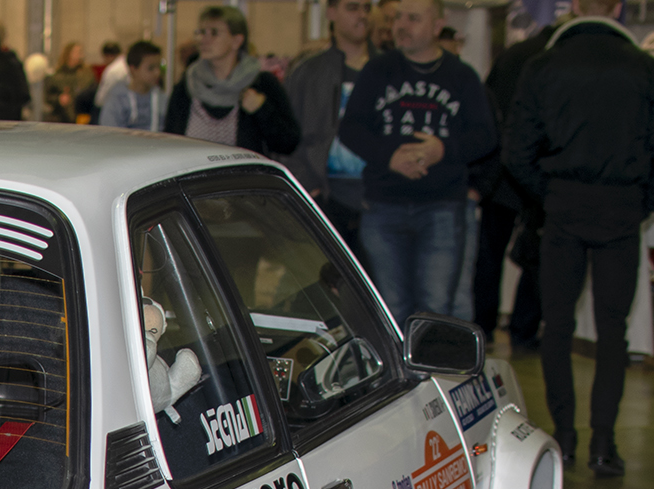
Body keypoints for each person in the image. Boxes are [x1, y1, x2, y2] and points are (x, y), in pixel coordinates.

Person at [505, 0, 654, 476]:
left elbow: (517, 151)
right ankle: (604, 444)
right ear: (616, 8)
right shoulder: (644, 69)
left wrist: (549, 195)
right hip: (622, 208)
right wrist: (638, 201)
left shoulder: (543, 66)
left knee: (558, 326)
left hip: (564, 206)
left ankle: (564, 436)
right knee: (614, 331)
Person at [336, 0, 495, 327]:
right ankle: (399, 378)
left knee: (436, 306)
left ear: (437, 26)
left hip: (441, 206)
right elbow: (350, 128)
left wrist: (442, 150)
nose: (401, 26)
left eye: (413, 18)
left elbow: (485, 136)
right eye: (398, 18)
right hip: (384, 205)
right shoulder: (378, 70)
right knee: (391, 307)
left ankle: (430, 377)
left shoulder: (461, 76)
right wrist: (389, 156)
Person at [475, 17, 557, 346]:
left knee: (490, 254)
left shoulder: (513, 54)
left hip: (501, 169)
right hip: (534, 168)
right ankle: (524, 328)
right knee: (537, 253)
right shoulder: (553, 59)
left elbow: (489, 102)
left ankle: (482, 325)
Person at [282, 0, 376, 258]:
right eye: (353, 7)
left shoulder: (388, 70)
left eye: (367, 8)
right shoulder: (308, 73)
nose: (362, 15)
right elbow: (286, 138)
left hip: (380, 202)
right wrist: (305, 185)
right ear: (332, 13)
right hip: (325, 197)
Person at [164, 8, 299, 158]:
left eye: (214, 33)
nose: (204, 39)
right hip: (194, 180)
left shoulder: (261, 83)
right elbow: (169, 144)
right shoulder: (187, 85)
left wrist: (262, 110)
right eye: (201, 32)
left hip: (243, 180)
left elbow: (288, 144)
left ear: (237, 41)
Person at [99, 41, 165, 131]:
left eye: (159, 67)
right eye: (151, 68)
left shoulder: (161, 98)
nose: (157, 73)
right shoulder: (118, 99)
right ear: (133, 69)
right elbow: (109, 133)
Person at [43, 42, 92, 122]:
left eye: (81, 52)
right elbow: (48, 96)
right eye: (77, 52)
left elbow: (91, 93)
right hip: (61, 117)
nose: (80, 55)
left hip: (81, 116)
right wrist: (59, 99)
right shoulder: (58, 75)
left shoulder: (86, 74)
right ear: (68, 54)